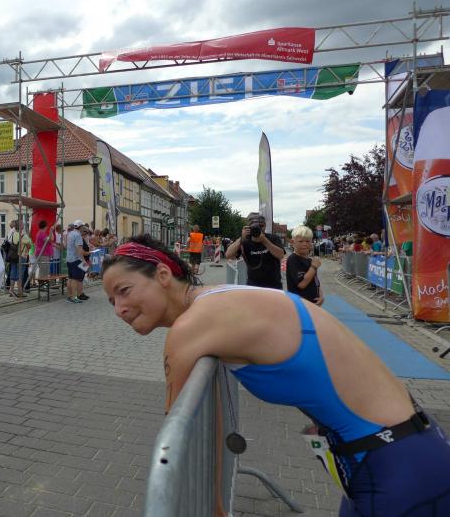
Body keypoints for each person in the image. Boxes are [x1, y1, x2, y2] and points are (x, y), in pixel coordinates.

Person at [102, 234, 450, 516]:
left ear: (163, 275)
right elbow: (202, 427)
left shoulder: (190, 327)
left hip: (392, 466)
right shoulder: (222, 298)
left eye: (124, 290)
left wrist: (209, 505)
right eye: (110, 301)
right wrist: (217, 503)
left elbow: (179, 441)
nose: (119, 309)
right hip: (407, 449)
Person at [225, 213, 285, 289]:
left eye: (261, 226)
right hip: (253, 285)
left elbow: (280, 255)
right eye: (254, 228)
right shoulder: (246, 241)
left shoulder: (273, 238)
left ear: (265, 226)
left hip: (274, 285)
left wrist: (264, 240)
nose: (258, 229)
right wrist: (241, 239)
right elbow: (228, 255)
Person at [286, 226, 324, 306]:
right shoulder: (293, 259)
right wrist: (313, 267)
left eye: (307, 241)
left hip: (312, 303)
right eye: (300, 241)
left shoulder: (310, 260)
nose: (304, 244)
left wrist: (320, 295)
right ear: (293, 242)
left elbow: (315, 280)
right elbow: (302, 284)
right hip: (300, 303)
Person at [65, 220, 92, 303]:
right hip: (76, 259)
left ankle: (69, 296)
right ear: (80, 227)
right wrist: (84, 261)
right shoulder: (78, 235)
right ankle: (74, 297)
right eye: (82, 226)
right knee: (75, 279)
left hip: (69, 259)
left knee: (70, 278)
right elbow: (79, 250)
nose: (83, 228)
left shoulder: (70, 234)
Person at [8, 221, 32, 298]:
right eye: (22, 224)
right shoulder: (23, 235)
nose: (23, 225)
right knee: (20, 274)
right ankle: (19, 291)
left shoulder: (13, 233)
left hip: (13, 256)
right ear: (21, 226)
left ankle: (11, 290)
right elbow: (29, 246)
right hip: (21, 256)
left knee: (13, 272)